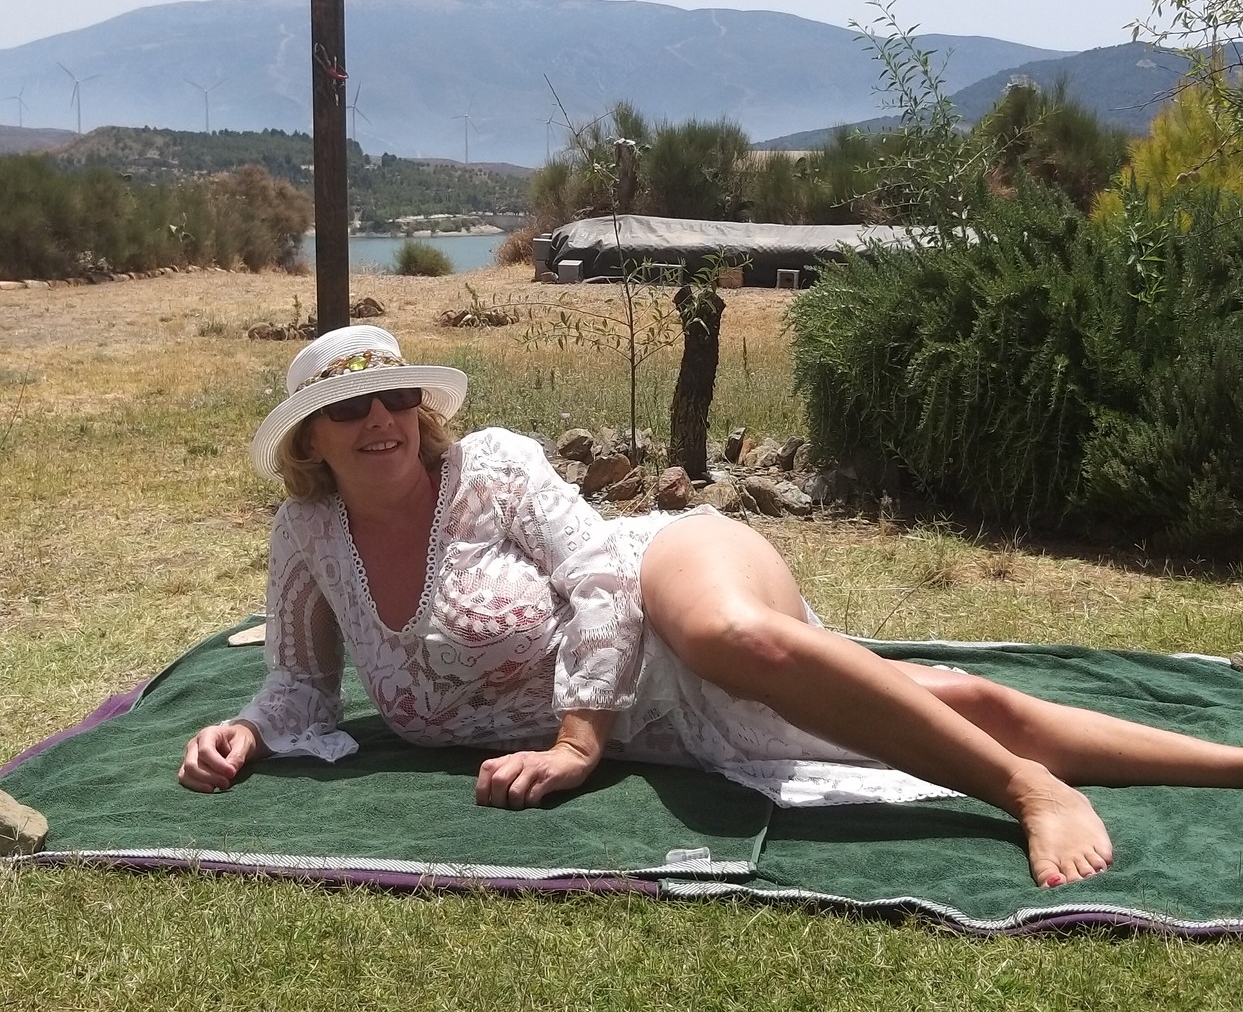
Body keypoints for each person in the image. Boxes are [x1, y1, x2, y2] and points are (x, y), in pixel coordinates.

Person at [180, 324, 1243, 887]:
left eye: (397, 397)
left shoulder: (490, 468)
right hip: (659, 718)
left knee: (731, 637)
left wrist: (577, 743)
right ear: (309, 439)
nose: (381, 420)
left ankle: (1025, 791)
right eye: (350, 408)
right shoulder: (307, 537)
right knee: (940, 702)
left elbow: (600, 576)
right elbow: (298, 682)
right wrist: (248, 730)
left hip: (660, 573)